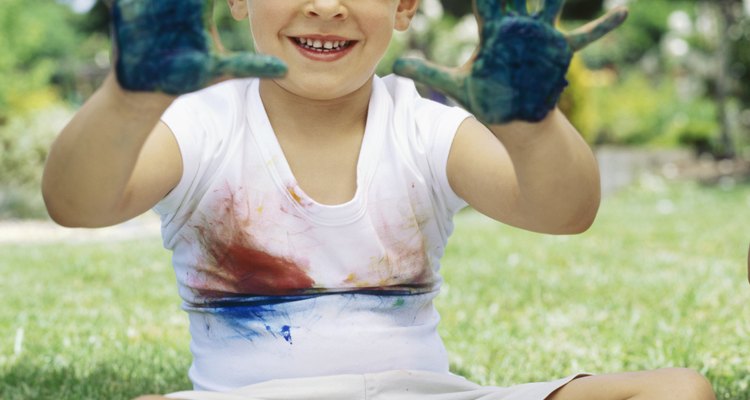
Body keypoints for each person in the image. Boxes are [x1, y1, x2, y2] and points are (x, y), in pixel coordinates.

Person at [42, 0, 716, 399]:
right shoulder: (204, 123)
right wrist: (128, 101)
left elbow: (563, 211)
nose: (328, 5)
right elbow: (79, 203)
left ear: (404, 4)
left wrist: (532, 122)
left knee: (677, 391)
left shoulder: (420, 125)